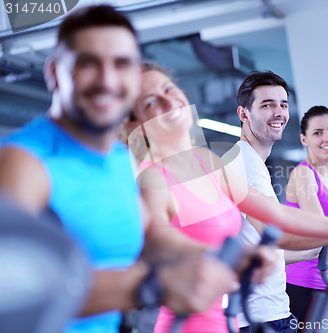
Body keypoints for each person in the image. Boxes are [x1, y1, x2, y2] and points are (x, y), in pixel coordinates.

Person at [0, 6, 248, 333]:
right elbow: (12, 288)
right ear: (54, 72)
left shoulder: (120, 158)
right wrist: (150, 286)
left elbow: (149, 237)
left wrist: (221, 256)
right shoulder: (24, 161)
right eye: (88, 63)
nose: (107, 80)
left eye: (121, 64)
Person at [123, 63, 328, 333]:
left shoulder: (206, 161)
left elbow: (277, 215)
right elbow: (161, 246)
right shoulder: (151, 178)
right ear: (134, 123)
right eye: (151, 101)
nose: (168, 100)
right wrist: (240, 257)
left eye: (169, 88)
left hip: (228, 321)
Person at [223, 72, 328, 333]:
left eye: (283, 104)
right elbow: (277, 235)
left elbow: (266, 247)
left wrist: (311, 249)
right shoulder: (245, 165)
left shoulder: (251, 163)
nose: (279, 113)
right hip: (258, 318)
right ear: (243, 114)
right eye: (267, 105)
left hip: (272, 312)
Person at [284, 106, 328, 324]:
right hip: (305, 286)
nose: (327, 138)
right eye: (317, 133)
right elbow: (321, 229)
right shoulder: (303, 173)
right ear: (304, 140)